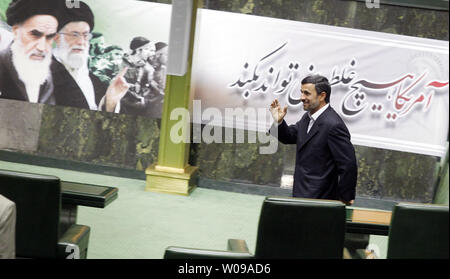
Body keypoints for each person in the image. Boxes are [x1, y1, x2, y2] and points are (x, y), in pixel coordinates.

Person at [269, 74, 357, 205]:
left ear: (322, 96)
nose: (301, 98)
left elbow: (348, 164)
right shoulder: (307, 118)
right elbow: (289, 136)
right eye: (301, 92)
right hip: (301, 195)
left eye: (306, 93)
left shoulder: (334, 125)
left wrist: (344, 197)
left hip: (321, 201)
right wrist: (279, 122)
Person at [51, 1, 128, 112]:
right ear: (57, 37)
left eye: (86, 35)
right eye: (74, 35)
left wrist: (111, 102)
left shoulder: (95, 80)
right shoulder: (42, 74)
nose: (81, 41)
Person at [0, 0, 63, 104]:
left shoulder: (55, 73)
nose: (42, 47)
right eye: (35, 35)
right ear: (16, 32)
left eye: (49, 37)